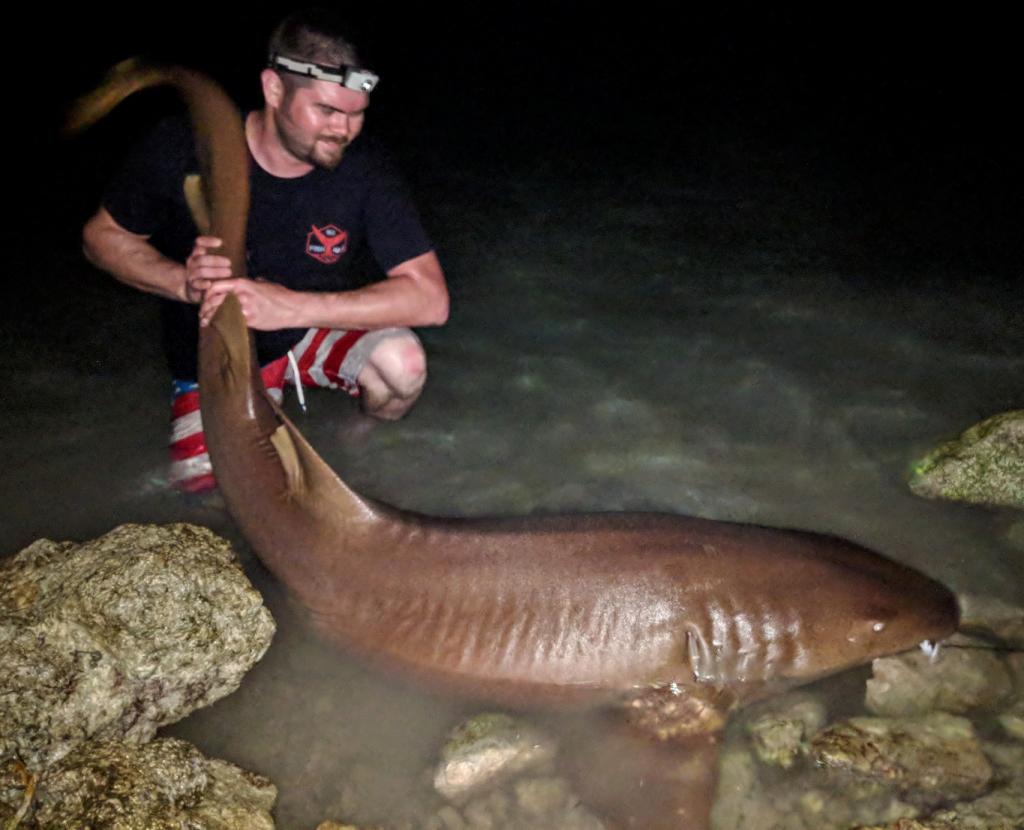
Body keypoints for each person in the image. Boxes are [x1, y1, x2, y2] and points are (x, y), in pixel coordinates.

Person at [82, 8, 449, 492]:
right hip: (216, 359)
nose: (344, 129)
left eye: (357, 114)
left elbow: (430, 299)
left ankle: (360, 438)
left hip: (303, 331)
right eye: (327, 111)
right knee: (212, 504)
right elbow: (101, 238)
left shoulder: (365, 171)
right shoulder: (183, 147)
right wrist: (181, 282)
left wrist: (289, 306)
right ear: (274, 89)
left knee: (403, 367)